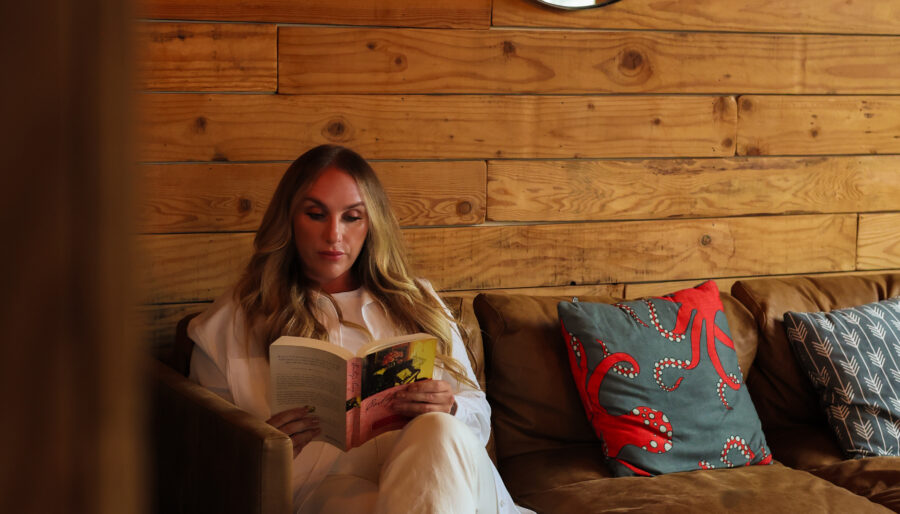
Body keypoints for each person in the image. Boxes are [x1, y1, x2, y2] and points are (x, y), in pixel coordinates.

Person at [187, 144, 527, 513]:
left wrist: (451, 406)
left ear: (371, 224)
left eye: (352, 217)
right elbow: (205, 459)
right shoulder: (231, 323)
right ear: (289, 219)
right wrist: (265, 450)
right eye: (316, 214)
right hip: (328, 495)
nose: (334, 234)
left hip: (449, 482)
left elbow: (478, 416)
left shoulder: (417, 302)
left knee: (439, 430)